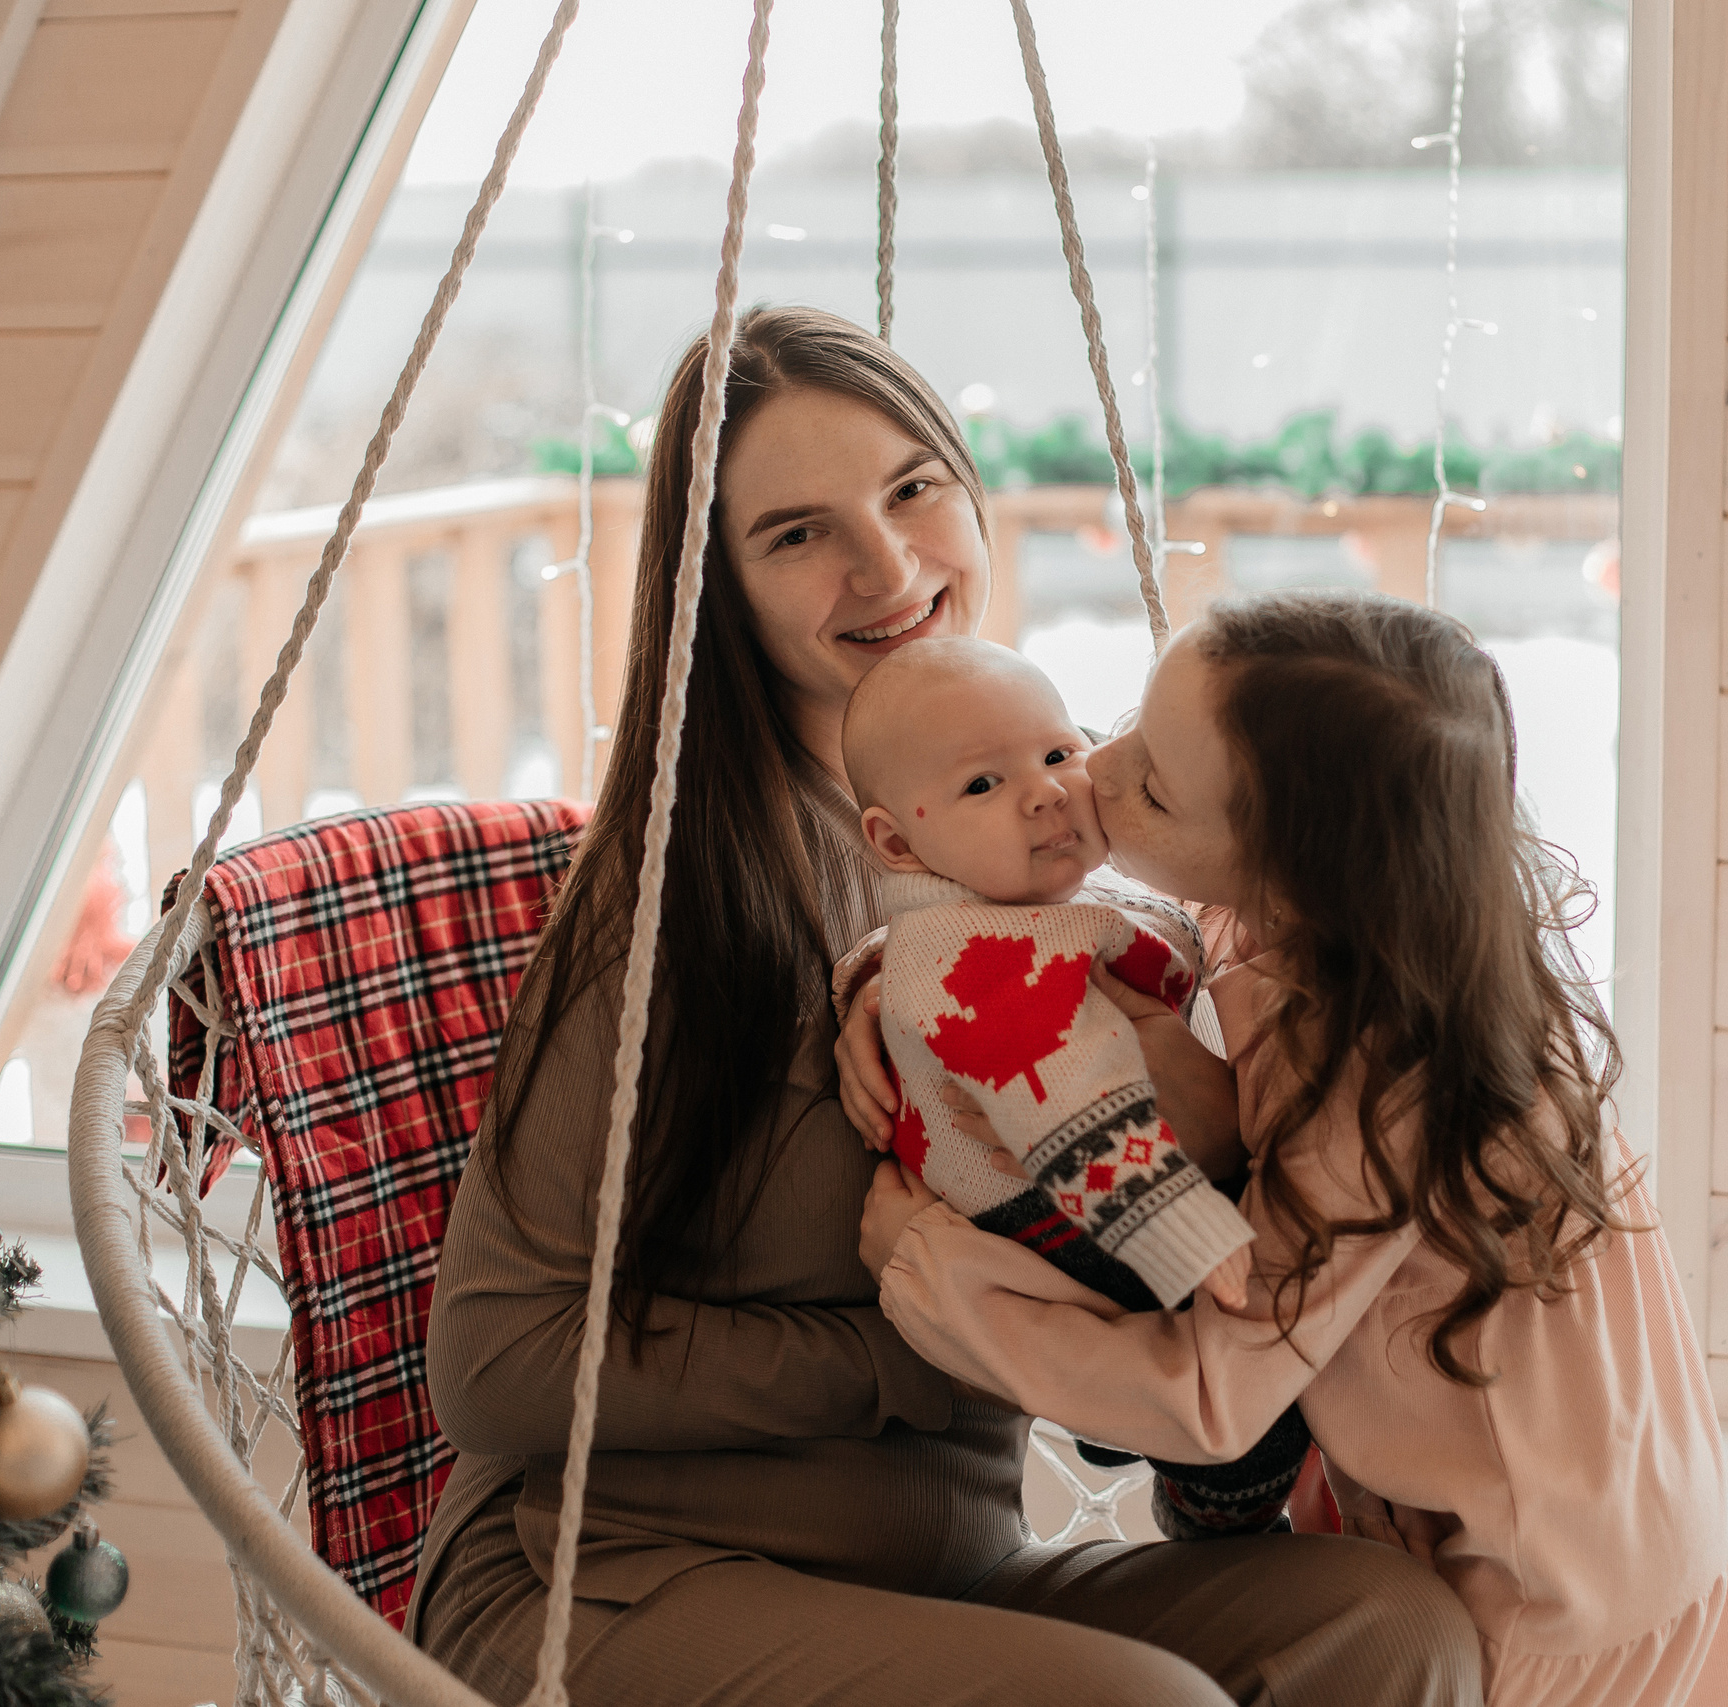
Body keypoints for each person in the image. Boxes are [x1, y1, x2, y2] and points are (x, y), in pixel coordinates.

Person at [408, 306, 1481, 1707]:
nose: (888, 565)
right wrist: (926, 1341)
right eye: (797, 533)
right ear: (720, 588)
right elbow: (494, 1361)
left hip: (944, 1574)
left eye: (913, 489)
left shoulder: (1038, 831)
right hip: (614, 1573)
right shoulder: (681, 899)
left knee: (1393, 1627)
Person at [852, 592, 1728, 1705]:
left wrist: (930, 1271)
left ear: (1290, 868)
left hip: (1554, 1610)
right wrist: (897, 974)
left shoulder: (1375, 1088)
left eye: (1152, 785)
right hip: (1652, 1513)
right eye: (1127, 722)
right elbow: (1048, 929)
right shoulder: (1409, 926)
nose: (1093, 768)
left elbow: (1212, 1398)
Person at [839, 636, 1313, 1539]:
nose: (1046, 791)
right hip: (1072, 1205)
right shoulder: (986, 956)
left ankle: (1131, 1431)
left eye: (1059, 751)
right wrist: (1188, 1234)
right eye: (984, 784)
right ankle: (1217, 1517)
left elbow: (1150, 923)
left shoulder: (1003, 905)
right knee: (1254, 1406)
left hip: (1090, 1185)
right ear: (898, 842)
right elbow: (1073, 1097)